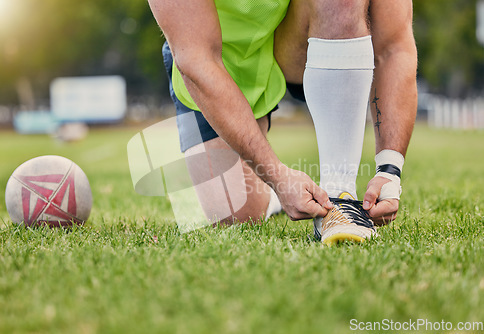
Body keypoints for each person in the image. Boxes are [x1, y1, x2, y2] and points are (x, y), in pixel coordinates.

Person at [147, 0, 417, 244]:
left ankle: (338, 196)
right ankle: (274, 199)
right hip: (218, 58)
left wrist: (389, 170)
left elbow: (394, 47)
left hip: (293, 31)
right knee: (236, 215)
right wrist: (278, 177)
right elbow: (196, 59)